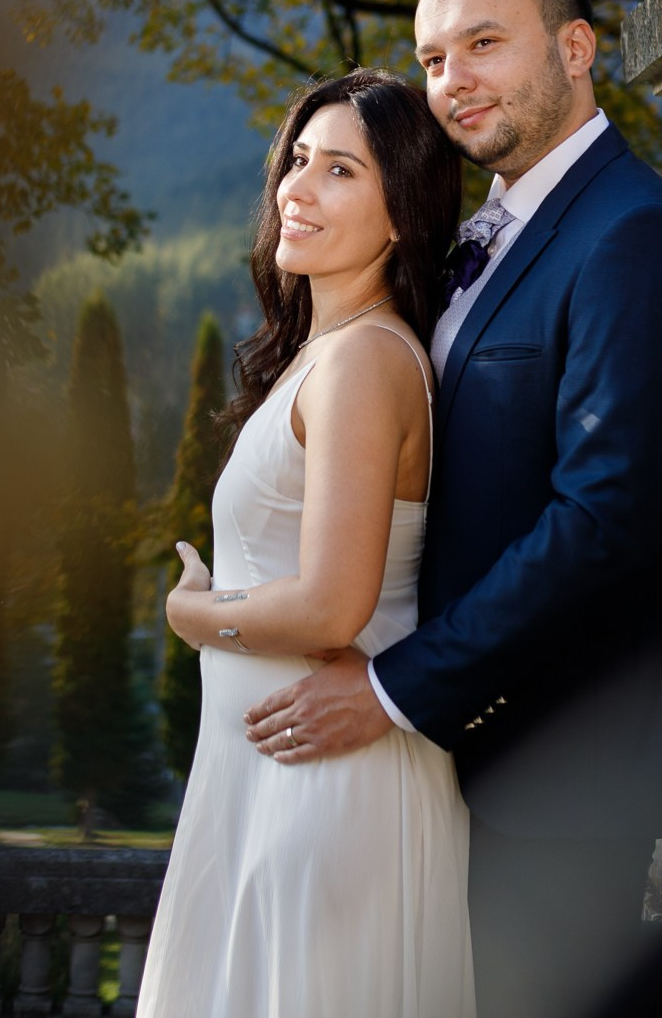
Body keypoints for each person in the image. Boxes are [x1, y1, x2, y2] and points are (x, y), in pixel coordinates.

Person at [240, 0, 662, 1018]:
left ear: (573, 46)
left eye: (481, 44)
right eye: (428, 58)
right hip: (457, 760)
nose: (449, 81)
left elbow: (605, 521)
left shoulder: (633, 237)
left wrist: (389, 687)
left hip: (560, 764)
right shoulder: (490, 236)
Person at [138, 68, 472, 1017]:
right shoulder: (327, 352)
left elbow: (333, 606)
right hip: (268, 781)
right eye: (297, 160)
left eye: (340, 172)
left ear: (402, 211)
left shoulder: (366, 360)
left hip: (326, 789)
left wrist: (192, 613)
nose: (297, 187)